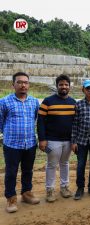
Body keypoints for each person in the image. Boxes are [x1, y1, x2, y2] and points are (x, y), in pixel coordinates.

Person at [0, 72, 40, 213]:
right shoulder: (4, 102)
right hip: (12, 144)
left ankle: (26, 193)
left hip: (29, 143)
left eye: (26, 82)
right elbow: (1, 121)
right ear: (13, 85)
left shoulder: (34, 102)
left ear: (28, 85)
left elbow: (36, 119)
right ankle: (11, 198)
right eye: (19, 82)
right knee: (11, 172)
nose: (23, 85)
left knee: (28, 170)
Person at [37, 74, 76, 202]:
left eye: (66, 84)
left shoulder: (73, 103)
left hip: (68, 140)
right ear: (57, 86)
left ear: (69, 87)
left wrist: (74, 140)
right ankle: (50, 190)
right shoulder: (47, 101)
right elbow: (40, 121)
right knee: (51, 165)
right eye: (61, 85)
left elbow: (76, 123)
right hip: (52, 141)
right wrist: (42, 139)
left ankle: (64, 187)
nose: (63, 87)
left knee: (65, 163)